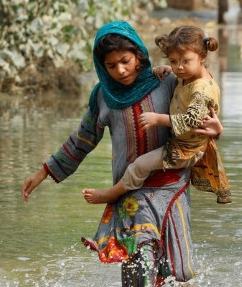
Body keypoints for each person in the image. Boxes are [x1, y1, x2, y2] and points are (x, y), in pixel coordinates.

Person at [20, 21, 223, 287]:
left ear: (140, 55)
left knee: (182, 272)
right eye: (111, 65)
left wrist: (216, 129)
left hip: (172, 187)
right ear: (102, 67)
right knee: (138, 273)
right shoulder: (103, 96)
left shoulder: (168, 82)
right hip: (130, 192)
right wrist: (44, 171)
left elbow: (200, 114)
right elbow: (82, 139)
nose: (121, 71)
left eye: (126, 61)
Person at [83, 25, 231, 205]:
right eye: (174, 61)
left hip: (185, 149)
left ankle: (113, 193)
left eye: (185, 61)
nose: (179, 67)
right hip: (184, 144)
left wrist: (158, 119)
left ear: (202, 57)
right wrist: (166, 68)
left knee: (139, 165)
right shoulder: (185, 78)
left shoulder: (202, 89)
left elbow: (191, 120)